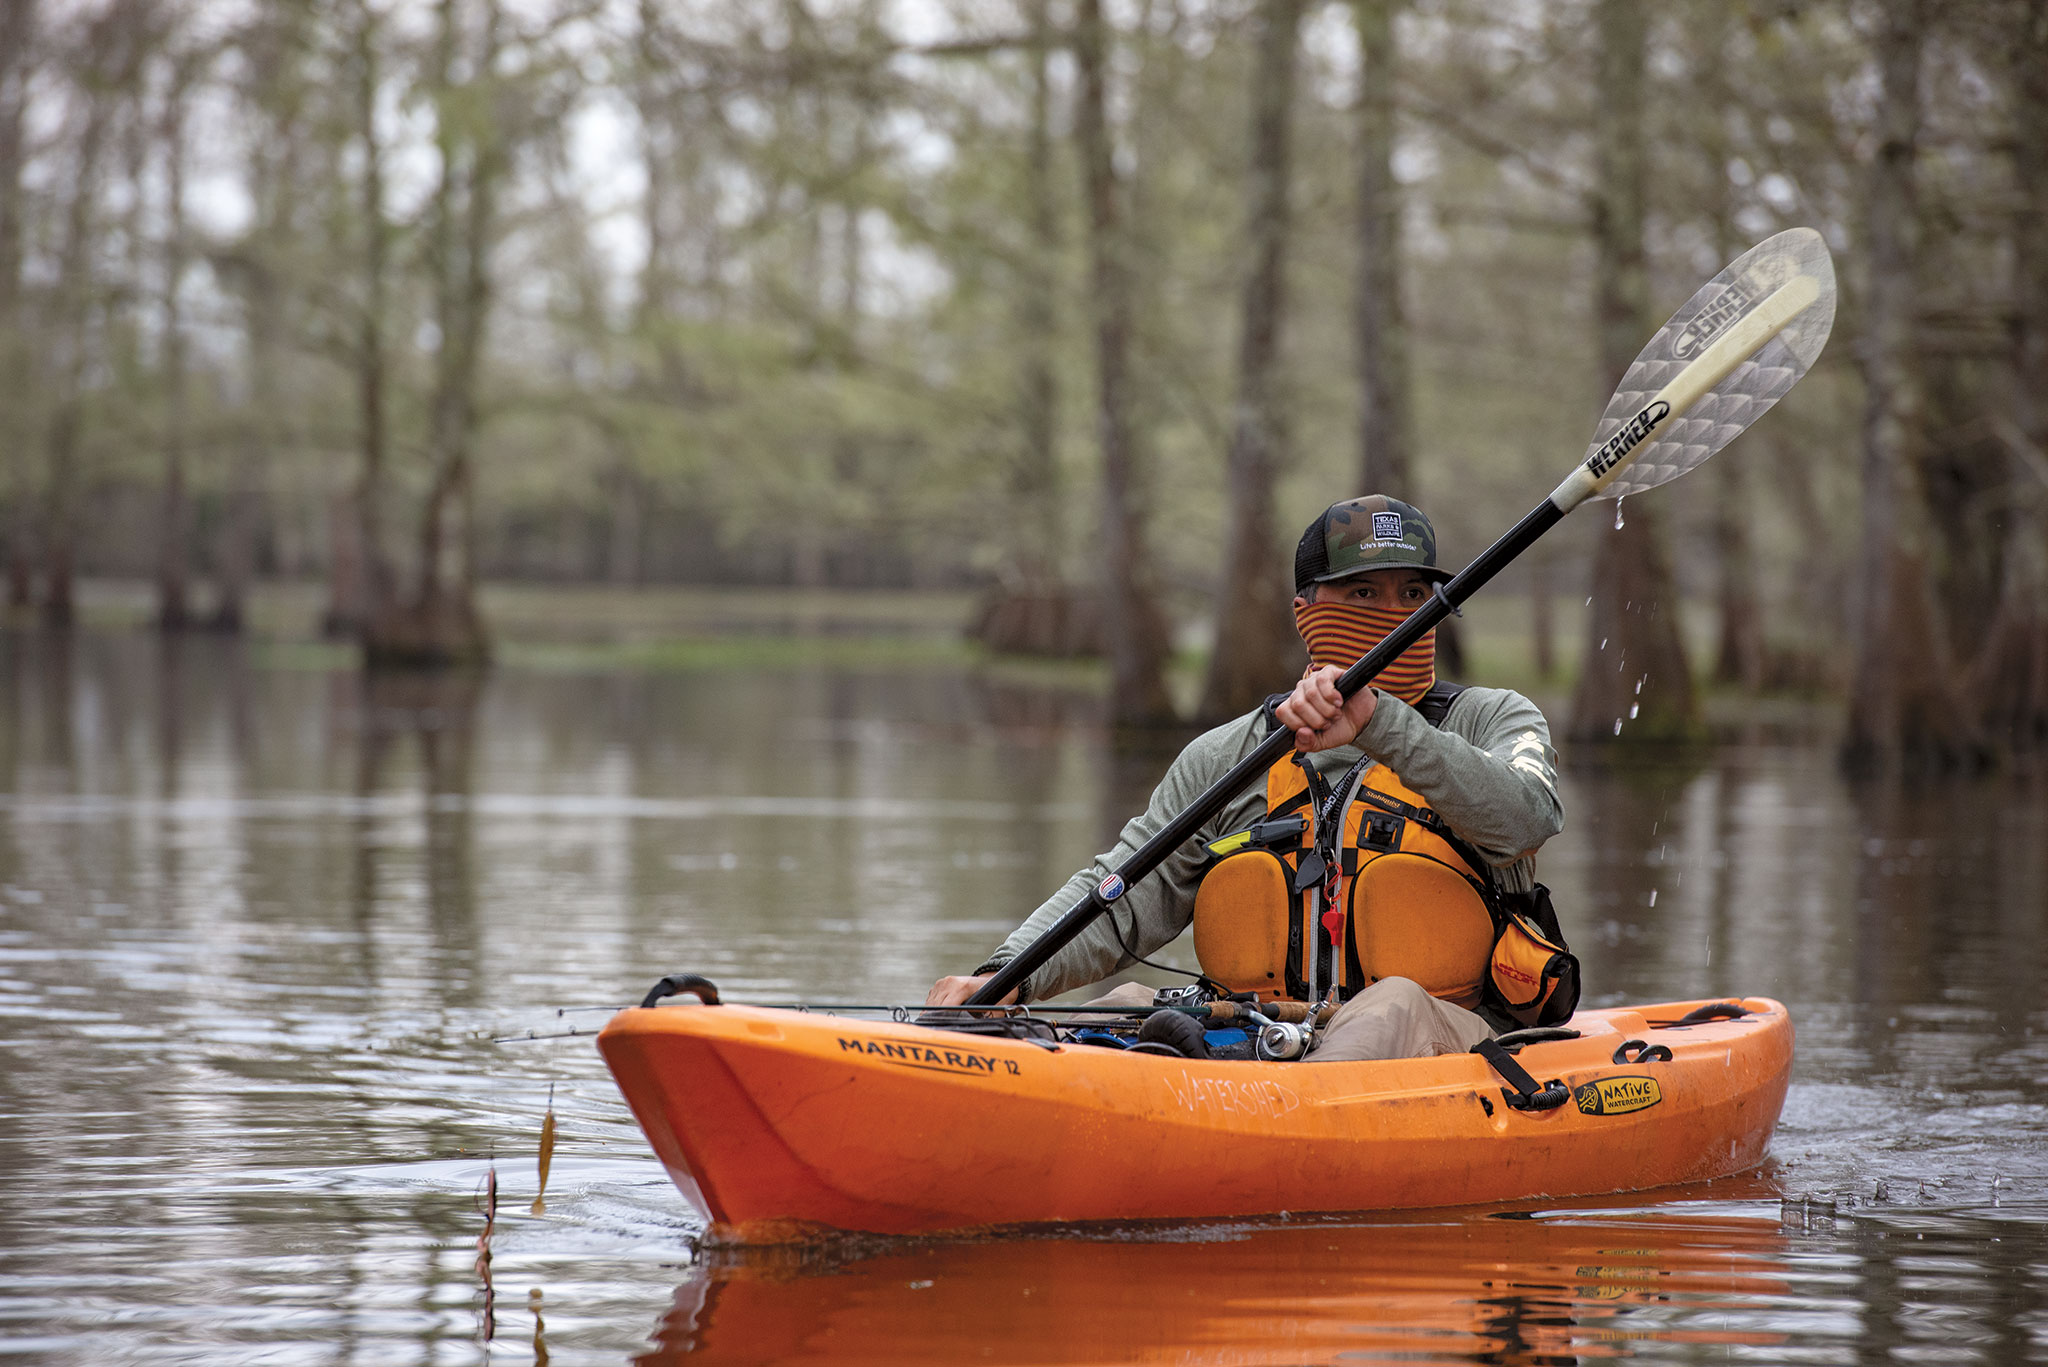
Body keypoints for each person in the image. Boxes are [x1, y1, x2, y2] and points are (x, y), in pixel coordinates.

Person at [926, 495, 1565, 1062]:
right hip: (1262, 1032)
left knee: (1392, 1004)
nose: (1396, 614)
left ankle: (1288, 1132)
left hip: (1443, 1042)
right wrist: (1007, 975)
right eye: (1365, 594)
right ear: (1306, 609)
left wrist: (1383, 725)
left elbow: (1530, 817)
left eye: (1413, 595)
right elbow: (1122, 894)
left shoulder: (1494, 718)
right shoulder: (1227, 754)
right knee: (1121, 1005)